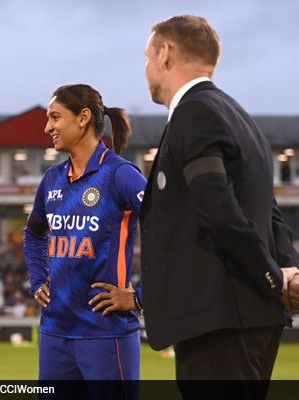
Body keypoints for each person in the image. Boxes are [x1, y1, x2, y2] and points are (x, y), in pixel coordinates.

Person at [139, 15, 299, 398]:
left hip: (219, 322)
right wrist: (289, 271)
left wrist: (273, 278)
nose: (145, 68)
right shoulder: (239, 116)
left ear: (165, 53)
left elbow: (218, 209)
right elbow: (268, 211)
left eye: (147, 57)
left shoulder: (193, 112)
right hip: (250, 317)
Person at [23, 84, 145, 398]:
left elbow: (171, 227)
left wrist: (140, 297)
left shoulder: (119, 174)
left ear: (83, 118)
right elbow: (33, 233)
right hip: (55, 334)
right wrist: (38, 279)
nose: (47, 127)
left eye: (55, 117)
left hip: (106, 334)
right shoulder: (52, 179)